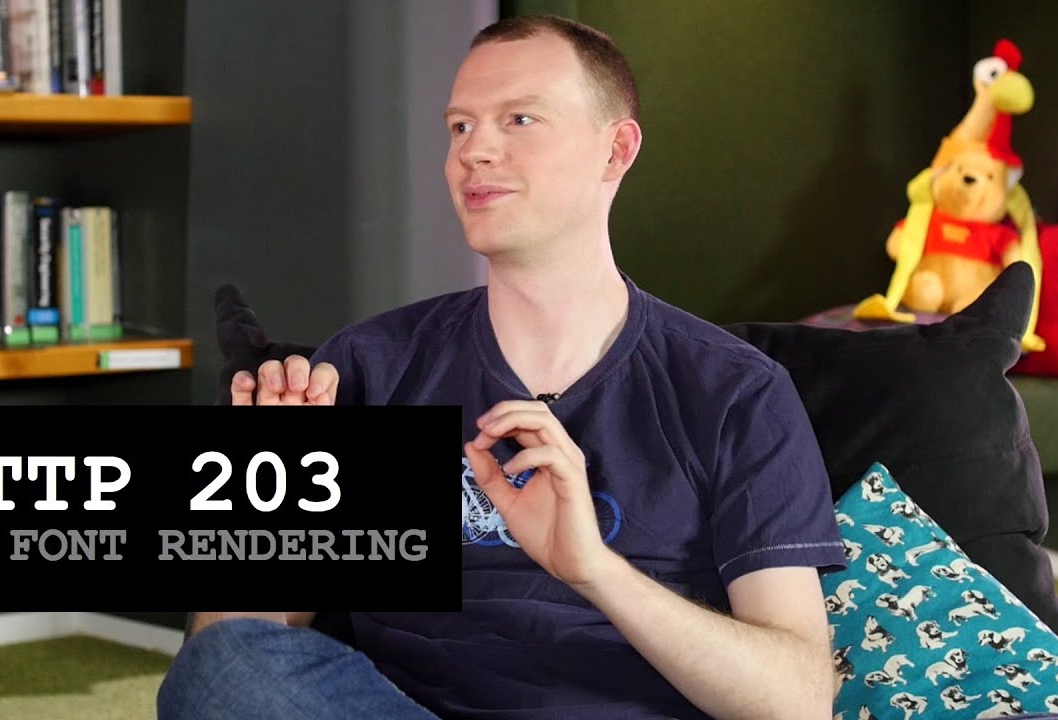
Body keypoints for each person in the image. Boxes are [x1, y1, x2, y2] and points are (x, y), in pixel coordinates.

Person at [158, 14, 847, 720]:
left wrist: (595, 571)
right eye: (460, 126)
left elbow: (796, 702)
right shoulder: (371, 366)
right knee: (221, 665)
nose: (474, 150)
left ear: (615, 150)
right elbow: (231, 657)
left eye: (520, 119)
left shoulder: (735, 393)